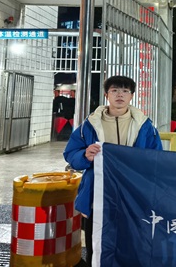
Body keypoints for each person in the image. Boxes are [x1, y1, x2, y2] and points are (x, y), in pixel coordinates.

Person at [63, 75, 163, 264]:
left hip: (132, 196)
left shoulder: (145, 126)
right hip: (98, 195)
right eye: (115, 90)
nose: (120, 95)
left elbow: (157, 158)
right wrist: (85, 155)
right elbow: (70, 153)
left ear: (131, 96)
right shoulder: (89, 125)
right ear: (106, 94)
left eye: (125, 91)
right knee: (97, 245)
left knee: (131, 244)